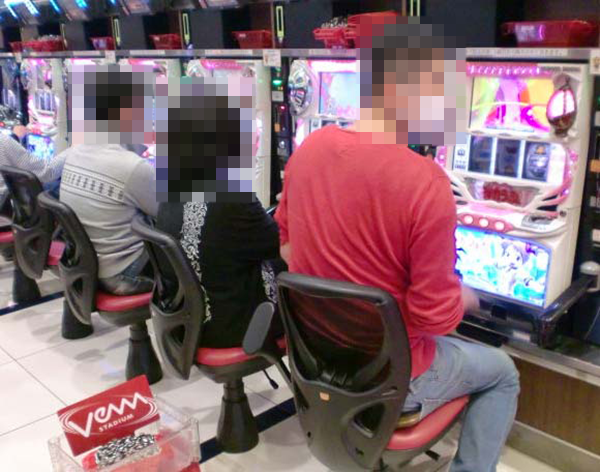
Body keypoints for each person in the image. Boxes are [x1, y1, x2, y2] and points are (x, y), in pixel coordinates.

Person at [275, 20, 520, 472]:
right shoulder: (425, 182)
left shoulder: (308, 149)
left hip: (318, 362)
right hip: (394, 377)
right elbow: (434, 318)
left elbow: (288, 252)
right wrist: (465, 296)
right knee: (502, 372)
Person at [156, 76, 283, 348]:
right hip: (229, 327)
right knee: (296, 260)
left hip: (184, 318)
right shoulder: (233, 193)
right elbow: (277, 244)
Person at [59, 65, 156, 295]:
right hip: (126, 273)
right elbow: (172, 214)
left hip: (88, 266)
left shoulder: (76, 151)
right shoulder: (131, 168)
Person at [0, 125, 64, 203]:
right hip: (7, 202)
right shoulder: (3, 141)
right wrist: (72, 149)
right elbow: (48, 172)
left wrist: (14, 138)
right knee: (57, 184)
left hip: (6, 199)